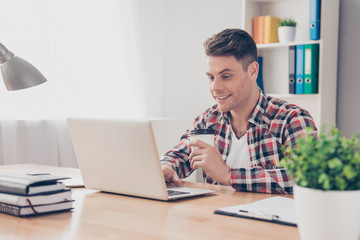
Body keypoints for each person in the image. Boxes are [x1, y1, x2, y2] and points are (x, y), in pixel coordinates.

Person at [160, 28, 317, 194]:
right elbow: (179, 154)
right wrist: (167, 167)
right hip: (214, 217)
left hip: (269, 219)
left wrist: (228, 174)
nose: (215, 88)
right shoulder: (207, 120)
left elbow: (305, 178)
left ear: (253, 71)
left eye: (226, 76)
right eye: (211, 77)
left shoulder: (293, 119)